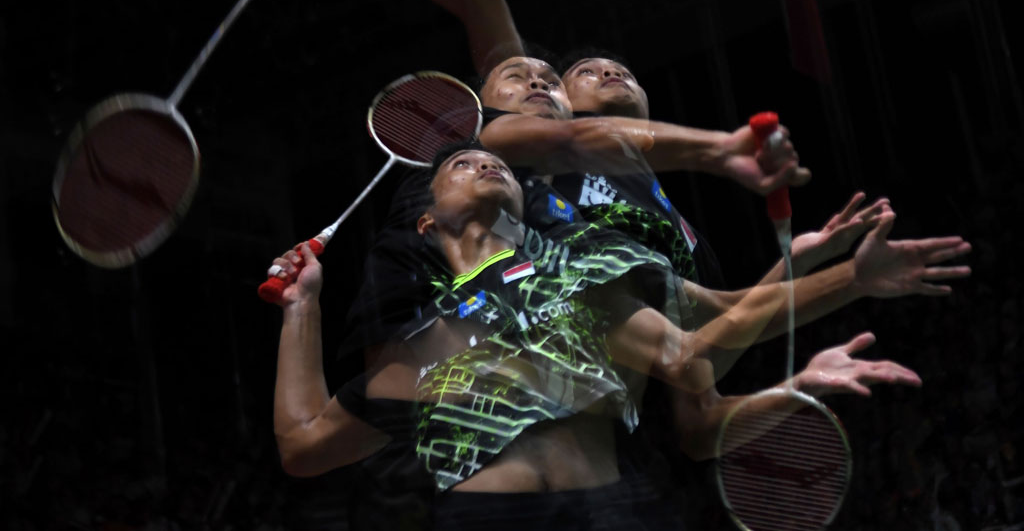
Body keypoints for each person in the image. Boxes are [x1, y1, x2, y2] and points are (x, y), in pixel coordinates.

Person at [268, 144, 941, 529]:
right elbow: (303, 446)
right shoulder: (425, 344)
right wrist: (304, 305)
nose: (488, 164)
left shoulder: (578, 276)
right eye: (465, 164)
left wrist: (850, 279)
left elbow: (697, 345)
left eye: (495, 160)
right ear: (426, 223)